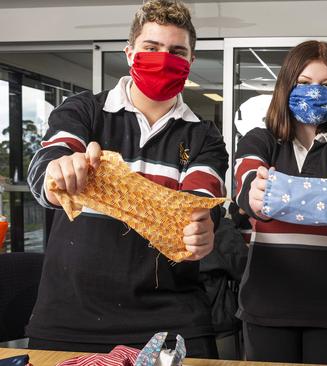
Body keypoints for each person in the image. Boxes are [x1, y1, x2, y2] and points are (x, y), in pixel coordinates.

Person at [26, 0, 227, 358]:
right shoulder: (84, 110)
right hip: (70, 316)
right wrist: (59, 172)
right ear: (130, 52)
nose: (164, 58)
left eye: (177, 51)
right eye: (151, 48)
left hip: (172, 319)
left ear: (191, 62)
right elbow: (49, 160)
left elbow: (201, 199)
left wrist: (201, 227)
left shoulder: (204, 135)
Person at [234, 40, 327, 365]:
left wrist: (277, 195)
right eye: (304, 83)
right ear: (287, 85)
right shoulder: (260, 139)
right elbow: (249, 194)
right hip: (267, 306)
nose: (316, 92)